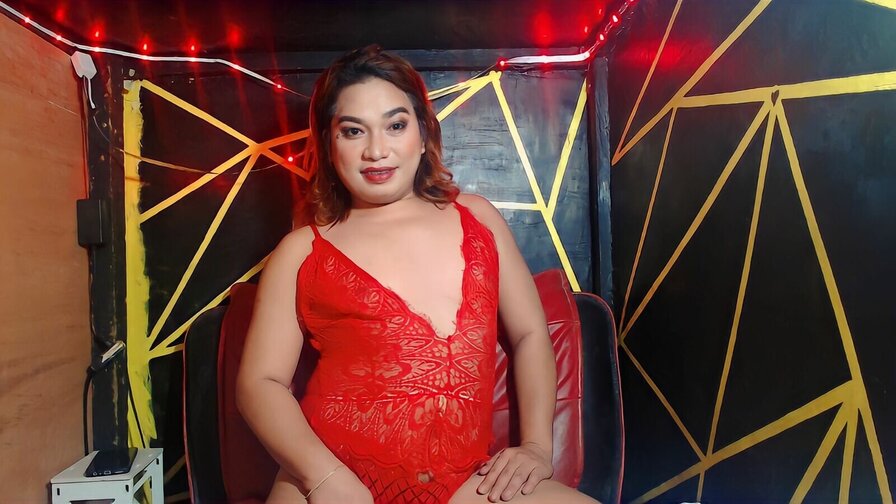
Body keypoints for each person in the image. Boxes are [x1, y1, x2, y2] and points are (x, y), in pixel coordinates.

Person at [236, 45, 599, 504]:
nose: (376, 151)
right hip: (328, 480)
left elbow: (530, 333)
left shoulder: (478, 219)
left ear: (423, 132)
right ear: (329, 145)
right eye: (353, 131)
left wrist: (536, 447)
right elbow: (259, 383)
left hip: (463, 481)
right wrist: (323, 477)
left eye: (395, 125)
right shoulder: (301, 250)